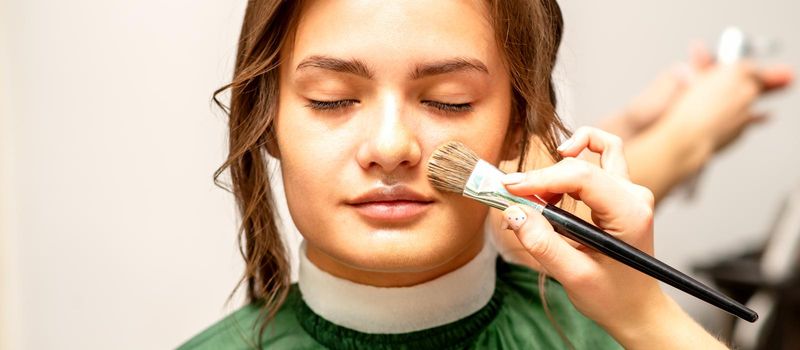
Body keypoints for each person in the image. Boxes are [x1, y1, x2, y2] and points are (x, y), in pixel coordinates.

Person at [179, 1, 730, 348]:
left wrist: (649, 322)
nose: (391, 146)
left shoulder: (605, 338)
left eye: (449, 102)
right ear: (265, 122)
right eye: (334, 99)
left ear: (519, 125)